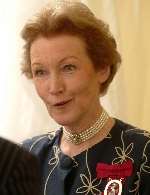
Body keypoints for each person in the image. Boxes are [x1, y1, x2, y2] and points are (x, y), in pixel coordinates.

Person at [21, 1, 150, 194]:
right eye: (40, 72)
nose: (55, 87)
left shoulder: (144, 153)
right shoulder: (25, 159)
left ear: (102, 68)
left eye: (68, 68)